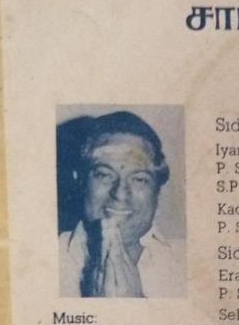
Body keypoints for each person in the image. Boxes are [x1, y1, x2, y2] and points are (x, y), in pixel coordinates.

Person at [58, 111, 186, 298]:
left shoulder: (192, 265)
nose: (120, 194)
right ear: (81, 180)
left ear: (157, 188)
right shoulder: (42, 261)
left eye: (139, 179)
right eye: (104, 174)